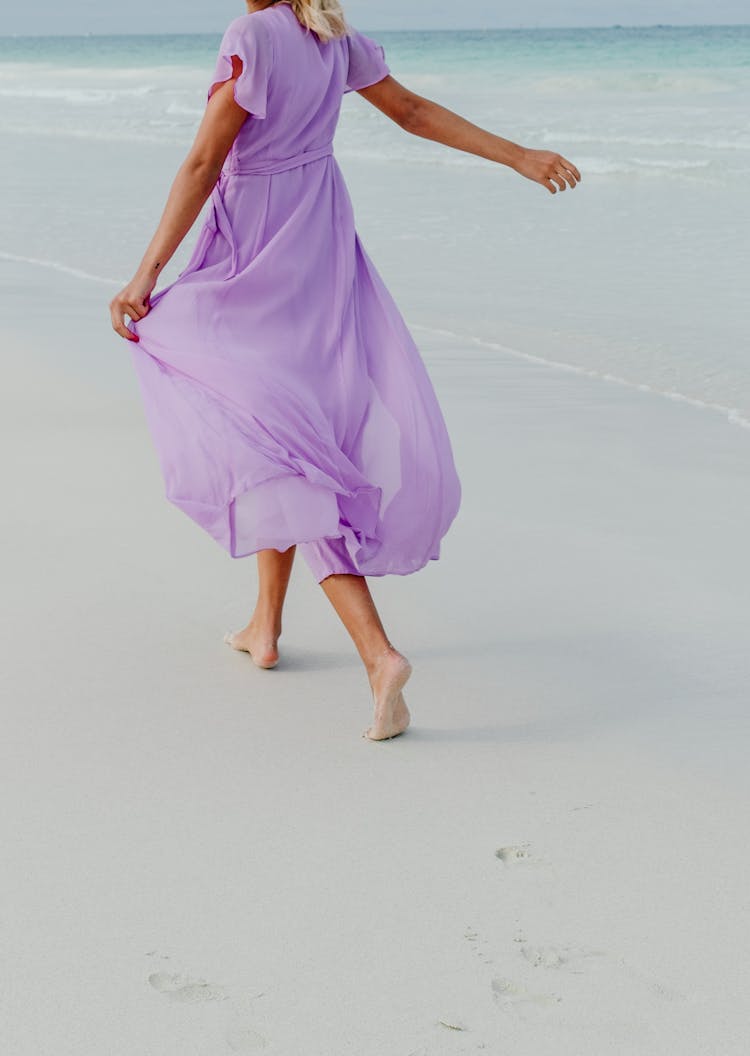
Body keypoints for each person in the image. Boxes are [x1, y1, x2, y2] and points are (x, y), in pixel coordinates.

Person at [109, 0, 580, 742]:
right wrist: (519, 156)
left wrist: (145, 274)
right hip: (318, 244)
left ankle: (378, 654)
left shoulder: (251, 37)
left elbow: (205, 161)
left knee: (280, 441)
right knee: (288, 426)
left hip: (256, 254)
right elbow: (414, 112)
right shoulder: (331, 35)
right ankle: (264, 627)